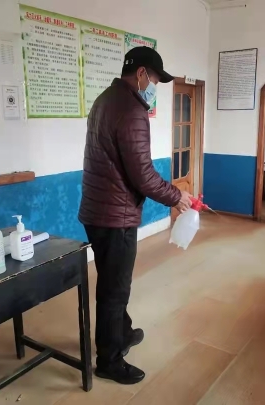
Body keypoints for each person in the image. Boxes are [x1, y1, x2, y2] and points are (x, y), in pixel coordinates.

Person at [78, 46, 192, 385]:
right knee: (115, 290)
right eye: (155, 79)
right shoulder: (131, 110)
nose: (154, 87)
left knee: (111, 280)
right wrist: (177, 196)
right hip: (116, 216)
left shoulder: (104, 100)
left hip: (96, 210)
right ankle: (109, 360)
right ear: (141, 73)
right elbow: (142, 174)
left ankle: (122, 332)